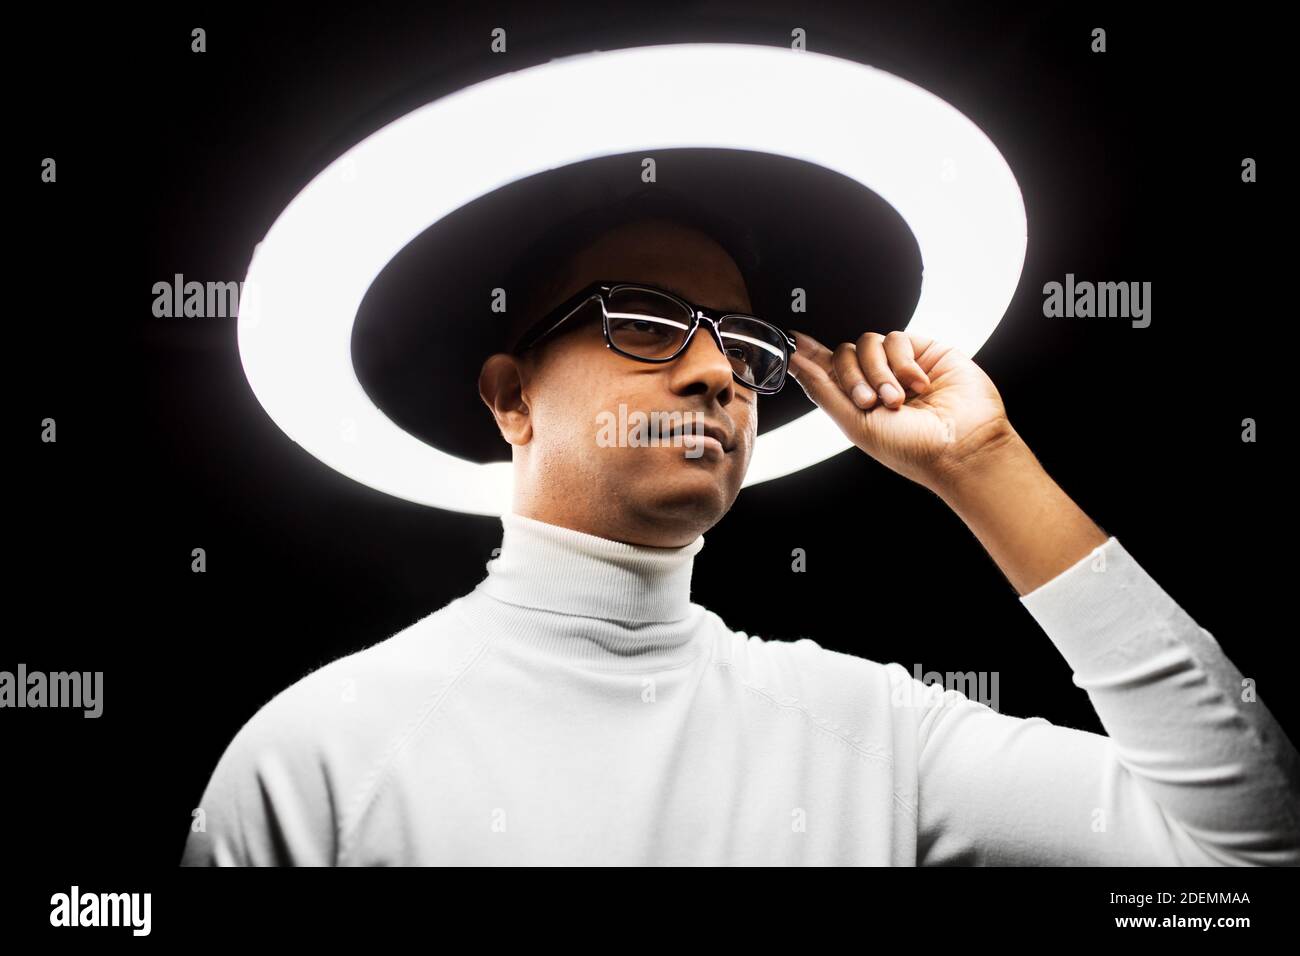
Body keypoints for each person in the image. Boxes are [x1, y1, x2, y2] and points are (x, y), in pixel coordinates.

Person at [181, 207, 1300, 866]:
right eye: (650, 319)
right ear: (511, 396)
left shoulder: (872, 735)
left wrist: (981, 464)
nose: (718, 371)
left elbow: (1244, 856)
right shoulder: (314, 755)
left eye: (741, 342)